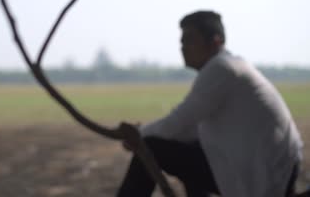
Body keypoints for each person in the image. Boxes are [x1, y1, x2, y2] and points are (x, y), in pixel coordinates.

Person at [116, 11, 303, 197]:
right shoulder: (230, 66)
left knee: (152, 147)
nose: (183, 48)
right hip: (268, 168)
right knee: (186, 146)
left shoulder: (221, 68)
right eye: (182, 42)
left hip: (264, 173)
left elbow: (178, 123)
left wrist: (139, 135)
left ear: (216, 41)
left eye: (190, 40)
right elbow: (185, 131)